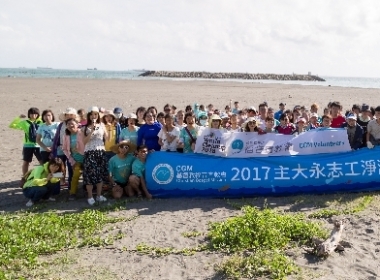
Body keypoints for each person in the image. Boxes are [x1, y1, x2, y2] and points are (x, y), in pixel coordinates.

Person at [82, 106, 109, 206]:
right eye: (92, 114)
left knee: (100, 174)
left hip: (101, 151)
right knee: (89, 175)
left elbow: (107, 138)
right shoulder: (84, 128)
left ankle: (99, 195)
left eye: (96, 114)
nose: (94, 116)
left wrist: (107, 129)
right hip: (89, 152)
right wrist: (92, 131)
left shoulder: (102, 125)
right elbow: (84, 142)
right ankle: (90, 196)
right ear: (89, 116)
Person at [9, 107, 43, 175]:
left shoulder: (41, 122)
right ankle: (25, 177)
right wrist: (18, 118)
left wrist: (40, 117)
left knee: (42, 162)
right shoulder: (25, 123)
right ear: (29, 114)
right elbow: (12, 125)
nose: (33, 116)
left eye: (35, 114)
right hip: (28, 145)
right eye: (31, 114)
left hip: (39, 145)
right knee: (26, 162)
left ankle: (43, 176)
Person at [62, 118, 85, 200]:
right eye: (68, 124)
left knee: (88, 176)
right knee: (75, 176)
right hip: (76, 161)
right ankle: (72, 193)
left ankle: (89, 191)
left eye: (72, 124)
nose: (71, 125)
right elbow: (64, 149)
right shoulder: (66, 135)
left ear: (77, 124)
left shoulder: (82, 132)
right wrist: (71, 160)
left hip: (86, 159)